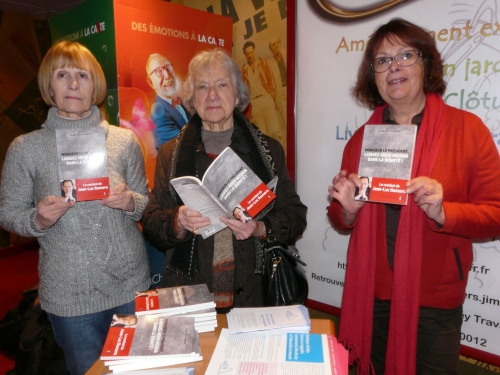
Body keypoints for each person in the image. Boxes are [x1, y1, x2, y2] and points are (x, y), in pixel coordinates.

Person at [327, 18, 500, 375]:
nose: (394, 67)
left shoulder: (467, 131)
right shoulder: (362, 139)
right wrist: (348, 209)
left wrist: (443, 211)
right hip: (371, 296)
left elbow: (495, 214)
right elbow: (337, 216)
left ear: (426, 64)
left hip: (434, 301)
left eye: (406, 55)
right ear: (372, 76)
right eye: (382, 60)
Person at [0, 41, 150, 375]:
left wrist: (130, 202)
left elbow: (143, 200)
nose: (72, 84)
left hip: (129, 283)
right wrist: (37, 218)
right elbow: (8, 213)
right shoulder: (26, 148)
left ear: (95, 84)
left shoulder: (124, 141)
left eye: (82, 75)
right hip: (70, 294)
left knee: (138, 369)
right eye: (62, 75)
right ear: (48, 86)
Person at [141, 48, 307, 312]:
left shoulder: (268, 151)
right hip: (190, 295)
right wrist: (178, 221)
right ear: (193, 98)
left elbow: (296, 216)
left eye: (222, 84)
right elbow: (151, 221)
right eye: (203, 87)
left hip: (254, 294)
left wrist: (260, 228)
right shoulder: (171, 154)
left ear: (238, 93)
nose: (213, 95)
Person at [241, 42, 283, 144]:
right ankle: (266, 158)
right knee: (261, 132)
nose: (250, 55)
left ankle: (280, 154)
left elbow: (270, 78)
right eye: (247, 53)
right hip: (254, 102)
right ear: (245, 55)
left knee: (274, 129)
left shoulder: (262, 62)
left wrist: (271, 96)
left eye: (251, 52)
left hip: (266, 98)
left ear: (254, 51)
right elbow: (244, 88)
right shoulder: (244, 69)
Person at [146, 53, 190, 149]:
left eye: (168, 68)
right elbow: (182, 152)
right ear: (150, 82)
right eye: (158, 72)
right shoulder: (159, 118)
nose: (167, 75)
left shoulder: (180, 102)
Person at [267, 37, 287, 138]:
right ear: (271, 49)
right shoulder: (270, 62)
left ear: (280, 43)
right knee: (286, 119)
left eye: (277, 43)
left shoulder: (287, 53)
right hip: (281, 92)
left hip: (293, 90)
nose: (276, 46)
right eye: (273, 45)